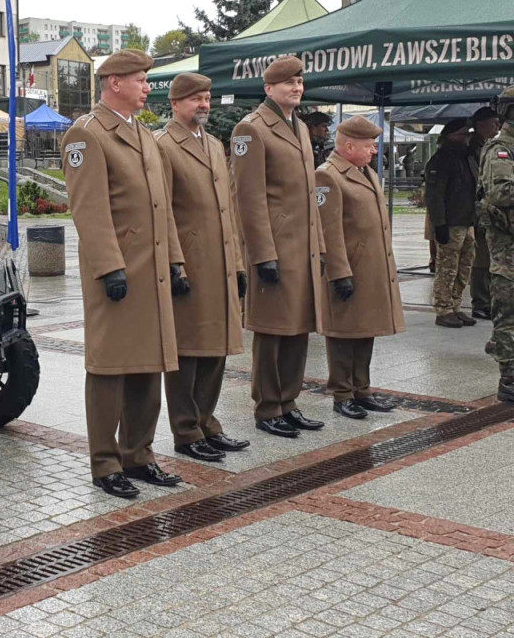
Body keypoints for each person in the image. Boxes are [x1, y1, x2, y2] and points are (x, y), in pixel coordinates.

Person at [62, 49, 183, 498]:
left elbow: (161, 207)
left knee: (148, 366)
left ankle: (139, 455)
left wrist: (175, 260)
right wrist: (111, 267)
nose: (148, 87)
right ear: (114, 82)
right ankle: (105, 463)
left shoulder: (145, 136)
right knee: (111, 368)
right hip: (118, 273)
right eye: (141, 80)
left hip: (150, 272)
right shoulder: (88, 134)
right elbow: (89, 210)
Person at [154, 73, 249, 462]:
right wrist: (176, 263)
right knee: (189, 350)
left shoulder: (213, 144)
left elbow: (229, 208)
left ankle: (208, 421)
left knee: (217, 346)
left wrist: (239, 263)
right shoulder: (163, 146)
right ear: (176, 104)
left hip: (221, 262)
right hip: (190, 263)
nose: (204, 105)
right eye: (195, 99)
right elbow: (163, 212)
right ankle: (185, 430)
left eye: (207, 98)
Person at [231, 56, 325, 438]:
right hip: (274, 248)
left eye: (300, 82)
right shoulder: (251, 129)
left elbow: (308, 194)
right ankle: (268, 406)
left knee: (298, 328)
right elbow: (248, 198)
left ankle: (289, 401)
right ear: (269, 89)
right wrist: (262, 254)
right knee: (271, 331)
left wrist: (318, 245)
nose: (297, 88)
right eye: (288, 83)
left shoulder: (300, 127)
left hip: (301, 247)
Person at [316, 116, 405, 419]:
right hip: (349, 269)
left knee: (365, 328)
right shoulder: (328, 176)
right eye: (369, 145)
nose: (374, 151)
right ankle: (342, 393)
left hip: (369, 268)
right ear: (349, 145)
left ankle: (361, 389)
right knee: (343, 332)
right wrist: (340, 273)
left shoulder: (364, 172)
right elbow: (329, 231)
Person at [425, 119, 478, 328]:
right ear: (450, 136)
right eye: (462, 134)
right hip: (451, 223)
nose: (467, 138)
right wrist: (439, 224)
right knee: (447, 268)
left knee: (464, 267)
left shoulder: (466, 157)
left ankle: (456, 305)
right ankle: (443, 308)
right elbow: (434, 195)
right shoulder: (441, 160)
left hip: (467, 221)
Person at [479, 87, 514, 403]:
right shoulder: (500, 150)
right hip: (507, 251)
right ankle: (509, 380)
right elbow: (502, 194)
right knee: (508, 314)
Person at [469, 107, 501, 320]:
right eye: (493, 123)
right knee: (481, 260)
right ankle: (481, 302)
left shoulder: (485, 146)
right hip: (477, 212)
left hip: (485, 211)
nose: (497, 127)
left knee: (488, 259)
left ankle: (487, 300)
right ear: (482, 125)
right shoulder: (473, 149)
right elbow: (477, 183)